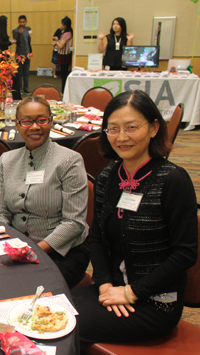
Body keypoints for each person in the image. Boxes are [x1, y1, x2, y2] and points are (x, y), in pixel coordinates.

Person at [71, 90, 198, 348]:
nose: (122, 137)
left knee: (67, 325)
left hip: (155, 301)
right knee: (50, 308)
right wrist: (105, 284)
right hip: (112, 290)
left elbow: (185, 254)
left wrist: (131, 292)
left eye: (131, 127)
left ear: (153, 128)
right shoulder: (108, 175)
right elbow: (96, 237)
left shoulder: (172, 179)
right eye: (113, 129)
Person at [0, 96, 90, 288]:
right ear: (17, 125)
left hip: (63, 251)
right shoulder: (7, 160)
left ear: (51, 121)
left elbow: (74, 222)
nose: (35, 127)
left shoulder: (69, 160)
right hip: (17, 246)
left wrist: (33, 249)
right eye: (27, 121)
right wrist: (9, 244)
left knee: (27, 288)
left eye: (41, 120)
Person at [13, 15, 32, 94]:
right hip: (19, 54)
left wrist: (30, 52)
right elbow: (15, 41)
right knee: (19, 73)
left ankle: (26, 88)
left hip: (27, 53)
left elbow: (29, 39)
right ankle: (19, 88)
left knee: (26, 72)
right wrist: (19, 34)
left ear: (26, 22)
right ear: (18, 22)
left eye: (23, 22)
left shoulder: (29, 29)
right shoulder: (15, 30)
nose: (22, 23)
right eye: (20, 22)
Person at [55, 16, 73, 93]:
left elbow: (61, 45)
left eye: (62, 24)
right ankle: (64, 90)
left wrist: (56, 41)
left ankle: (64, 91)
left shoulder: (67, 33)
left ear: (65, 25)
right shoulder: (64, 33)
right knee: (63, 74)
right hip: (62, 55)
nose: (60, 25)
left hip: (65, 56)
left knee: (64, 74)